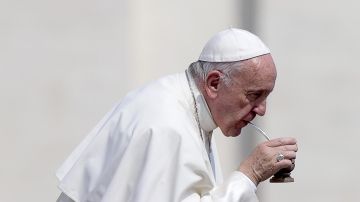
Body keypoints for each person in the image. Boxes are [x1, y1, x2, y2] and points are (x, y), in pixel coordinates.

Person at [56, 28, 298, 202]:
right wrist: (249, 174)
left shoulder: (188, 107)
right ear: (214, 83)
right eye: (254, 95)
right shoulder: (167, 125)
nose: (262, 109)